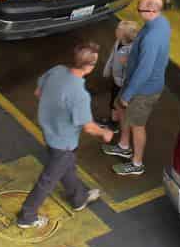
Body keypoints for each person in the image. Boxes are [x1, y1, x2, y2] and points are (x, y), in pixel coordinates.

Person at [16, 42, 115, 230]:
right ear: (91, 66)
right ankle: (27, 216)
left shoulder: (57, 70)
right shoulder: (79, 94)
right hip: (64, 142)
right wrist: (105, 132)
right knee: (48, 180)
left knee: (66, 168)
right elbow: (88, 127)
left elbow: (38, 92)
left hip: (48, 131)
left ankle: (78, 198)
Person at [103, 0, 171, 176]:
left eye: (139, 9)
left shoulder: (152, 38)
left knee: (137, 125)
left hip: (143, 89)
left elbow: (145, 70)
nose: (138, 12)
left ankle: (137, 163)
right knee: (122, 109)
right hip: (134, 83)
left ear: (151, 10)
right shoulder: (161, 22)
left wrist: (127, 94)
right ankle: (124, 146)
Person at [100, 20, 140, 131]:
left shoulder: (132, 50)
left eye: (118, 29)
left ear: (125, 35)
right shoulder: (118, 42)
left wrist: (127, 63)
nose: (115, 30)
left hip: (123, 83)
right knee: (113, 100)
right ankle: (112, 120)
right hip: (116, 79)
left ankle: (114, 124)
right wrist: (107, 70)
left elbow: (136, 68)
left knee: (116, 103)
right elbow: (112, 56)